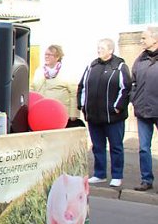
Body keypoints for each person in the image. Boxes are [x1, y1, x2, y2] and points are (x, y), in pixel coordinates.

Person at [77, 38, 131, 188]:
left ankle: (117, 175)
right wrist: (82, 105)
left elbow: (126, 88)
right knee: (98, 146)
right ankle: (100, 174)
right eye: (98, 47)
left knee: (116, 147)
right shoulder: (92, 66)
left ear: (111, 50)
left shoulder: (119, 66)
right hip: (94, 116)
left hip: (113, 117)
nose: (98, 50)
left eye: (102, 48)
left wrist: (117, 107)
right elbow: (82, 86)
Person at [130, 26, 158, 191]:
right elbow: (133, 82)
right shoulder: (140, 59)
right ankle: (146, 180)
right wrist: (134, 99)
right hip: (143, 110)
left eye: (144, 38)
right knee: (143, 148)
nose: (141, 41)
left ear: (155, 39)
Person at [31, 44, 82, 127]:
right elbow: (32, 88)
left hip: (60, 114)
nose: (46, 57)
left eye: (49, 55)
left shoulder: (66, 72)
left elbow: (74, 92)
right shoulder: (39, 71)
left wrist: (74, 114)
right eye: (45, 54)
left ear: (57, 57)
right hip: (42, 113)